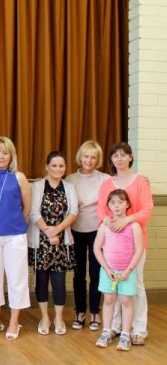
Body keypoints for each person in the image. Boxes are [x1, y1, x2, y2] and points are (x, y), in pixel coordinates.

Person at [97, 142, 153, 345]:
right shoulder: (106, 184)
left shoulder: (141, 182)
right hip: (112, 247)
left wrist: (126, 221)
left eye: (123, 155)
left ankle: (138, 329)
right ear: (111, 160)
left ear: (130, 157)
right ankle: (114, 327)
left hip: (134, 244)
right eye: (115, 155)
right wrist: (109, 223)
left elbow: (146, 210)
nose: (119, 159)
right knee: (112, 289)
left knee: (135, 286)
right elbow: (101, 212)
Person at [0, 136, 31, 341]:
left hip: (15, 236)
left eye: (5, 152)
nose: (1, 156)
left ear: (12, 156)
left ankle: (13, 321)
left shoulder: (19, 177)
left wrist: (17, 225)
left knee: (16, 279)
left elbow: (27, 207)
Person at [28, 151, 78, 336]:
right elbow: (33, 212)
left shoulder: (69, 187)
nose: (58, 169)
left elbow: (73, 212)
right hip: (40, 242)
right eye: (54, 165)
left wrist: (56, 230)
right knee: (41, 281)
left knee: (59, 283)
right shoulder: (37, 186)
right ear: (47, 166)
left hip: (61, 242)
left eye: (61, 166)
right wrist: (48, 232)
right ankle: (45, 317)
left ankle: (58, 318)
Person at [65, 140, 110, 331]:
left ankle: (94, 312)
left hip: (98, 232)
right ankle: (79, 311)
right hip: (75, 231)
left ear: (98, 159)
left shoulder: (105, 179)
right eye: (86, 156)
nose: (89, 160)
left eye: (93, 157)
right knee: (79, 274)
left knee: (96, 274)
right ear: (80, 157)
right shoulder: (71, 179)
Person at [94, 190, 144, 351]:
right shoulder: (104, 226)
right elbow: (97, 248)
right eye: (113, 202)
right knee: (108, 300)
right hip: (109, 272)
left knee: (126, 301)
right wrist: (106, 269)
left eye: (120, 202)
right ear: (108, 206)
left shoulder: (134, 226)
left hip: (126, 272)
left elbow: (139, 250)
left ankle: (125, 334)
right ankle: (107, 331)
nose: (116, 205)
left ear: (127, 204)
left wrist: (128, 271)